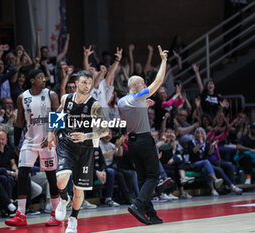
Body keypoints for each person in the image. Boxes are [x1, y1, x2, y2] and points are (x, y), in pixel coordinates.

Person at [47, 70, 110, 233]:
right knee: (60, 180)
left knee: (78, 189)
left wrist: (86, 135)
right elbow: (58, 114)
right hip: (66, 144)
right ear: (76, 83)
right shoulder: (66, 99)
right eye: (83, 82)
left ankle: (73, 219)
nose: (86, 85)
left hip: (85, 149)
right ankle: (63, 198)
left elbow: (104, 130)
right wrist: (51, 133)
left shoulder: (94, 105)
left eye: (89, 83)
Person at [117, 45, 168, 225]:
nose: (146, 86)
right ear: (135, 86)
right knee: (153, 177)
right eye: (143, 84)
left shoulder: (121, 101)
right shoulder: (139, 96)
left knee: (143, 178)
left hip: (132, 142)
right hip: (145, 140)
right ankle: (138, 205)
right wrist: (163, 60)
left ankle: (151, 214)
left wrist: (143, 108)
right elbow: (159, 80)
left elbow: (126, 119)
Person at [5, 69, 61, 227]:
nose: (44, 79)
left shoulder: (51, 95)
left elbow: (58, 118)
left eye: (44, 77)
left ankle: (56, 213)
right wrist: (16, 143)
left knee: (51, 176)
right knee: (22, 174)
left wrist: (51, 134)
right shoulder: (23, 97)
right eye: (40, 77)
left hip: (47, 141)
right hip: (29, 141)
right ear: (31, 80)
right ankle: (21, 214)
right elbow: (19, 122)